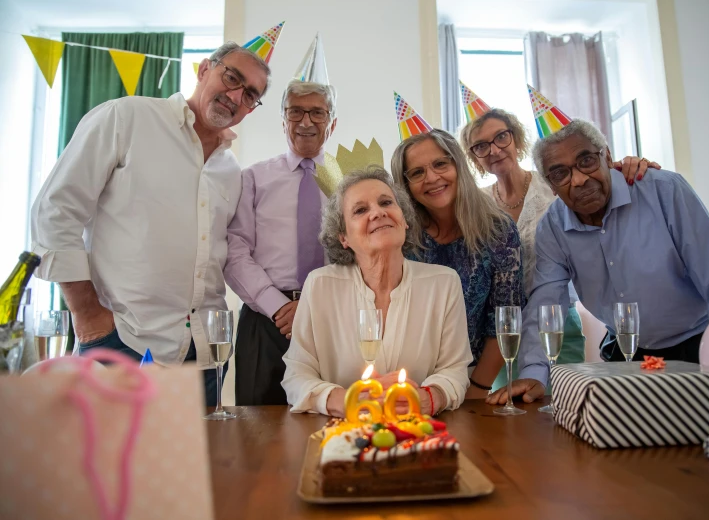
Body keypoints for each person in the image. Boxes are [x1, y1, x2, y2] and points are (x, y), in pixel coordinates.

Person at [29, 41, 271, 405]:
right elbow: (55, 210)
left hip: (203, 358)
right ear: (204, 69)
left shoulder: (230, 171)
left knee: (195, 461)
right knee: (110, 460)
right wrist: (87, 314)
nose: (236, 95)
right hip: (122, 342)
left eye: (250, 94)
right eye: (231, 77)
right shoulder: (126, 119)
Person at [489, 118, 709, 403]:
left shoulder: (664, 190)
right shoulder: (552, 227)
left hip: (698, 345)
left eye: (587, 161)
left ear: (608, 157)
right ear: (551, 186)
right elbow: (546, 302)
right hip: (627, 354)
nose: (578, 179)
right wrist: (534, 372)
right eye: (560, 174)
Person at [460, 107, 659, 390]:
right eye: (481, 146)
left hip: (556, 320)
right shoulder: (476, 205)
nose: (494, 149)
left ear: (516, 138)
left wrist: (633, 165)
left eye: (501, 137)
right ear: (474, 157)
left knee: (562, 406)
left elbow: (605, 181)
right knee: (509, 415)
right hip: (502, 330)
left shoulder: (557, 182)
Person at [281, 167, 473, 416]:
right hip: (340, 436)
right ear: (344, 238)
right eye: (361, 210)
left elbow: (455, 369)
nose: (378, 212)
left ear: (403, 219)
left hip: (419, 433)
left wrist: (429, 398)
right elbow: (296, 375)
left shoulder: (444, 283)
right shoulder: (320, 285)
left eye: (386, 202)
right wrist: (349, 401)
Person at [390, 129, 549, 404]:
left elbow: (503, 319)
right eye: (416, 173)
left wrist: (476, 388)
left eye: (441, 164)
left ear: (458, 166)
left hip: (472, 378)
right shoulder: (399, 235)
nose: (432, 178)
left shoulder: (497, 230)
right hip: (403, 380)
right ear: (405, 185)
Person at [224, 37, 337, 405]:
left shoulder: (349, 180)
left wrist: (316, 305)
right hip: (265, 320)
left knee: (330, 416)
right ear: (282, 119)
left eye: (317, 112)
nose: (306, 121)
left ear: (331, 123)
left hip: (332, 317)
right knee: (258, 427)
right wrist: (277, 306)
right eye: (295, 111)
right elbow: (235, 251)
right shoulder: (253, 178)